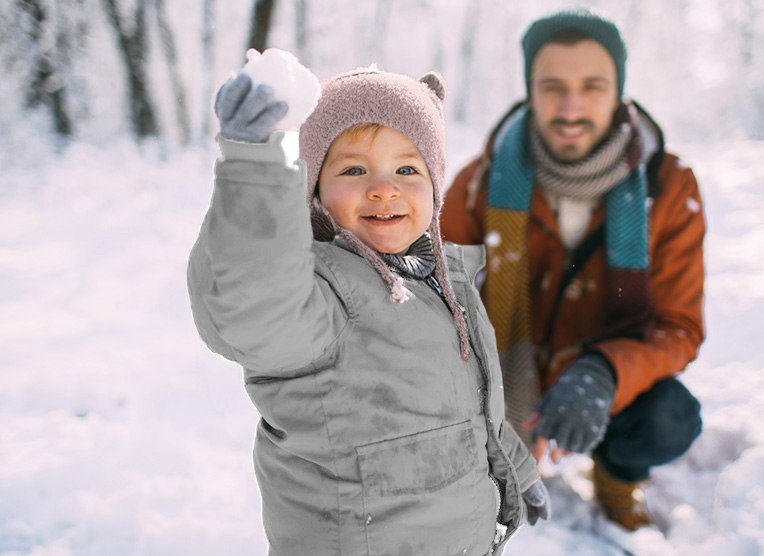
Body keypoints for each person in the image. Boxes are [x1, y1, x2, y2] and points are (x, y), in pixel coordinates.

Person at [188, 64, 546, 555]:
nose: (384, 188)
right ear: (314, 190)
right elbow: (251, 303)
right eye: (354, 170)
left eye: (407, 170)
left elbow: (473, 406)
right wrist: (253, 168)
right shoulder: (317, 294)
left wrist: (517, 469)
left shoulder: (446, 282)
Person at [439, 8, 705, 531]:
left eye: (592, 86)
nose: (570, 107)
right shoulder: (481, 181)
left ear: (619, 91)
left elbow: (680, 327)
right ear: (530, 90)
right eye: (552, 86)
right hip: (503, 373)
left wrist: (604, 371)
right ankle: (490, 458)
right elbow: (432, 291)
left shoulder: (669, 186)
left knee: (670, 416)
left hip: (604, 381)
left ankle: (616, 478)